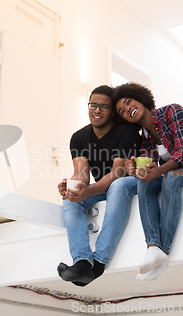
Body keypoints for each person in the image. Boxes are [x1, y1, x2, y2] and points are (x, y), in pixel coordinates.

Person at [113, 82, 183, 280]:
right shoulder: (145, 138)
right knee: (144, 183)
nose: (127, 109)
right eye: (122, 111)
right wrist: (136, 170)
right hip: (182, 173)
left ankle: (163, 253)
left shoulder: (172, 111)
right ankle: (152, 247)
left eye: (128, 102)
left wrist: (159, 171)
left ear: (140, 98)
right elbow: (149, 169)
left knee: (171, 176)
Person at [57, 85, 141, 286]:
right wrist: (72, 186)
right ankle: (82, 262)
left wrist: (90, 190)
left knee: (118, 185)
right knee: (70, 201)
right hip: (103, 188)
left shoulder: (126, 131)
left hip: (129, 183)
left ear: (112, 112)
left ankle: (99, 262)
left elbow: (118, 172)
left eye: (103, 107)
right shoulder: (79, 138)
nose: (97, 110)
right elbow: (82, 173)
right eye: (93, 105)